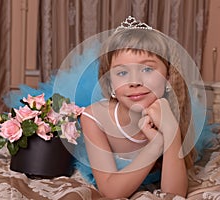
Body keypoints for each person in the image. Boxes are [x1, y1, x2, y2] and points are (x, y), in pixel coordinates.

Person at [79, 16, 197, 199]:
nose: (134, 82)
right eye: (122, 72)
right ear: (110, 84)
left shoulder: (171, 114)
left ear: (168, 77)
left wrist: (171, 130)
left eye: (147, 69)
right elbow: (110, 192)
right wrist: (156, 145)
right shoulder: (94, 118)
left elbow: (174, 194)